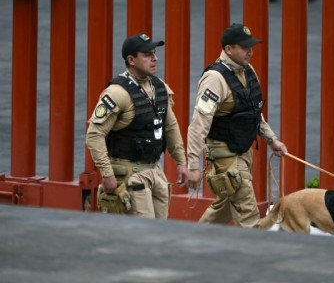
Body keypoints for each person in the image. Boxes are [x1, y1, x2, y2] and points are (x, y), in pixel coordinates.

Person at [186, 23, 288, 227]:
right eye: (244, 47)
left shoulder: (247, 70)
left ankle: (193, 241)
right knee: (248, 216)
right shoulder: (214, 79)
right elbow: (199, 125)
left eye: (251, 46)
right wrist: (192, 166)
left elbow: (253, 112)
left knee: (223, 208)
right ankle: (256, 256)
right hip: (226, 159)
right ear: (228, 49)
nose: (250, 51)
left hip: (243, 153)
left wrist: (272, 140)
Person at [86, 33, 189, 218]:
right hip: (129, 175)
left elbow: (170, 126)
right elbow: (94, 134)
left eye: (155, 53)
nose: (155, 58)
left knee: (158, 234)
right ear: (131, 60)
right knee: (142, 237)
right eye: (148, 55)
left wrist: (181, 162)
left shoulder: (160, 88)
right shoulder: (117, 93)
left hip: (155, 171)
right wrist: (107, 174)